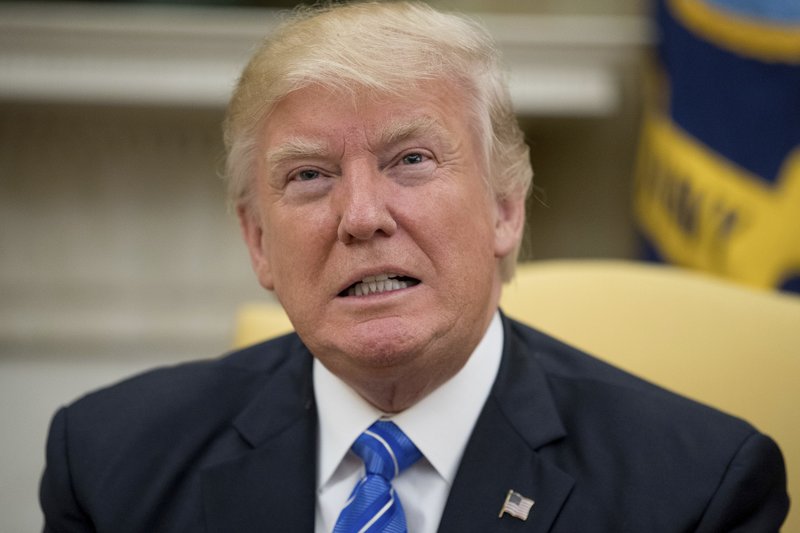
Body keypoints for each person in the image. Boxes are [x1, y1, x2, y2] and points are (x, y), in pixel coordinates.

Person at [40, 3, 788, 532]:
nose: (362, 215)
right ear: (259, 240)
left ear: (504, 209)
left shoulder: (694, 488)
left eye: (411, 160)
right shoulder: (111, 463)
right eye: (308, 175)